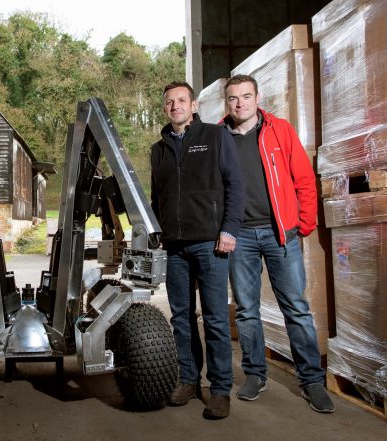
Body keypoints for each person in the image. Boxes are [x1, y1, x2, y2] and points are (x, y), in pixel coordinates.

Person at [223, 74, 334, 413]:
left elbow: (303, 178)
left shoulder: (279, 130)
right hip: (239, 237)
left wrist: (303, 223)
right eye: (233, 98)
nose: (239, 103)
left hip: (279, 234)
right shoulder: (218, 138)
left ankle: (312, 380)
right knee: (246, 310)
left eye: (245, 96)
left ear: (257, 98)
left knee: (296, 309)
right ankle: (256, 374)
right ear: (226, 103)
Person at [151, 81, 245, 420]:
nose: (175, 106)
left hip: (211, 243)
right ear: (165, 109)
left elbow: (236, 184)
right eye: (169, 102)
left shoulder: (215, 137)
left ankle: (219, 389)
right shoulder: (158, 150)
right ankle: (188, 379)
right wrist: (158, 233)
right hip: (175, 246)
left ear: (193, 106)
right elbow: (156, 198)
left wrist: (229, 229)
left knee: (217, 320)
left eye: (181, 100)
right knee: (181, 318)